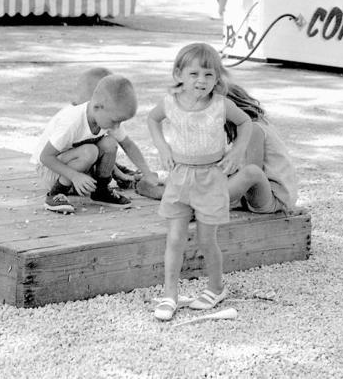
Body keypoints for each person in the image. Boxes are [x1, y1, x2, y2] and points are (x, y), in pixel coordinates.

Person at [146, 43, 252, 321]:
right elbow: (152, 120)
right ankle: (170, 293)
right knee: (175, 238)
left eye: (208, 75)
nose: (201, 81)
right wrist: (162, 148)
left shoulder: (221, 105)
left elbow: (246, 124)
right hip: (179, 176)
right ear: (179, 74)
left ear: (217, 78)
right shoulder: (170, 103)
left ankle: (216, 288)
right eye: (194, 74)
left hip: (210, 177)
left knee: (207, 240)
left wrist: (238, 151)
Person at [32, 74, 154, 210]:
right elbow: (45, 157)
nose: (117, 127)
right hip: (51, 171)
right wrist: (75, 176)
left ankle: (101, 191)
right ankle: (56, 194)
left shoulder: (106, 118)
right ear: (97, 107)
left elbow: (128, 145)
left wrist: (147, 173)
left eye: (120, 122)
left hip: (77, 172)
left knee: (109, 143)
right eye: (115, 121)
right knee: (89, 151)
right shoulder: (72, 121)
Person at [224, 83, 299, 215]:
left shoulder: (254, 129)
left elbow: (253, 172)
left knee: (251, 172)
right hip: (267, 194)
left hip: (273, 199)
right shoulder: (253, 126)